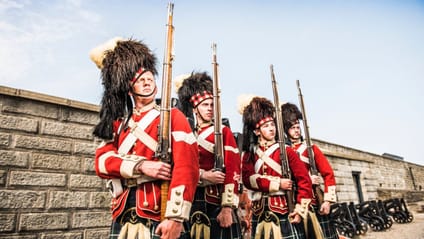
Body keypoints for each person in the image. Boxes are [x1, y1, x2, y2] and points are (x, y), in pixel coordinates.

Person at [90, 37, 199, 239]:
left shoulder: (173, 116)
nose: (147, 80)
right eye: (139, 78)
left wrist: (176, 218)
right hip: (123, 212)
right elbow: (101, 163)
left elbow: (187, 168)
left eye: (149, 76)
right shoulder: (119, 123)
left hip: (160, 212)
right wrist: (141, 166)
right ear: (129, 87)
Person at [175, 72, 242, 239]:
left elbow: (233, 170)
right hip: (186, 201)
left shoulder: (223, 132)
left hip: (215, 202)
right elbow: (176, 165)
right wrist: (203, 175)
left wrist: (227, 208)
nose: (210, 109)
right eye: (205, 105)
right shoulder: (184, 131)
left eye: (213, 105)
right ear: (195, 108)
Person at [239, 96, 313, 239]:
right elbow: (248, 180)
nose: (271, 128)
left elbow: (304, 180)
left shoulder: (287, 151)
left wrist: (299, 210)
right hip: (259, 212)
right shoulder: (250, 154)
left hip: (284, 210)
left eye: (272, 124)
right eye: (266, 126)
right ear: (257, 131)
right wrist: (277, 183)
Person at [282, 102, 338, 239]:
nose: (296, 130)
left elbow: (328, 173)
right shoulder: (283, 151)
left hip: (313, 202)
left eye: (297, 127)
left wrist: (327, 201)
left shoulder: (311, 148)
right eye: (292, 128)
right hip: (293, 204)